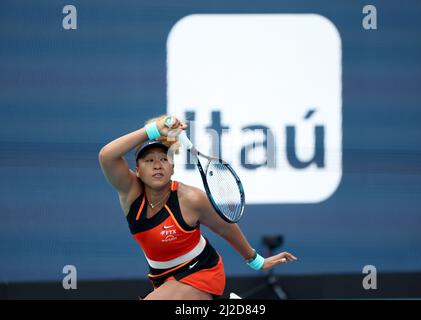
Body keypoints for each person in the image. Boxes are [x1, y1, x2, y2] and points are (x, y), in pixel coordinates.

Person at [98, 114, 297, 300]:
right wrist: (153, 130)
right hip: (162, 277)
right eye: (149, 161)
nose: (157, 165)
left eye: (164, 159)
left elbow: (225, 227)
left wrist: (256, 261)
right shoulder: (130, 192)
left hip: (201, 271)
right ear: (138, 170)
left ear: (172, 168)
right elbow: (107, 156)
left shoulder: (191, 199)